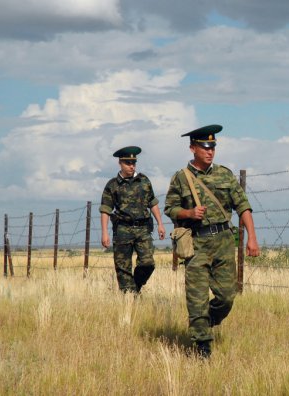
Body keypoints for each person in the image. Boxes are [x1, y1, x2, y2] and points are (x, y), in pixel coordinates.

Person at [164, 124, 259, 359]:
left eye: (213, 147)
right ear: (192, 148)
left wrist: (252, 238)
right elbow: (170, 208)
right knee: (196, 298)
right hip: (196, 242)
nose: (210, 151)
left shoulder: (224, 174)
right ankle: (202, 347)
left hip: (224, 241)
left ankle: (206, 323)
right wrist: (189, 214)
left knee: (227, 296)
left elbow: (243, 206)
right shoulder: (180, 178)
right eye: (205, 147)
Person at [100, 146, 166, 293]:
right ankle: (129, 298)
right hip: (122, 229)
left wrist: (160, 224)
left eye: (133, 163)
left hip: (143, 228)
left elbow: (153, 203)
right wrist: (104, 232)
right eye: (128, 163)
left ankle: (135, 286)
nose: (131, 166)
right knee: (123, 267)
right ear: (120, 163)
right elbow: (105, 209)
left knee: (148, 263)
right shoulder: (113, 185)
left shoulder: (144, 181)